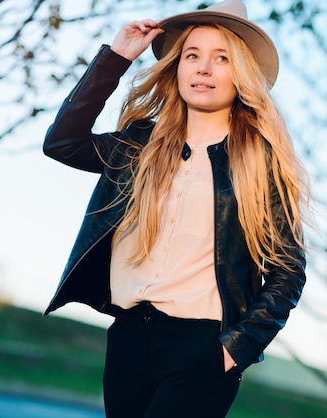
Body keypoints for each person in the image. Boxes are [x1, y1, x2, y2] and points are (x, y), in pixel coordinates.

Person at [42, 0, 310, 416]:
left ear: (240, 75)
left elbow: (288, 271)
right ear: (178, 68)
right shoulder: (138, 147)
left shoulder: (259, 164)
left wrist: (235, 350)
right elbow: (63, 143)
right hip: (129, 336)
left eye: (221, 58)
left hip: (203, 349)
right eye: (192, 55)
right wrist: (115, 59)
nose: (203, 68)